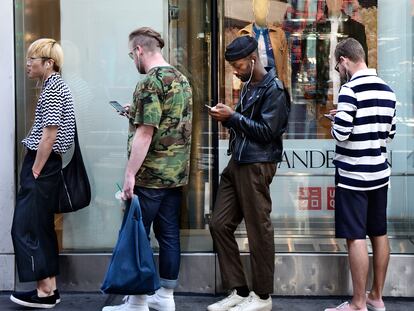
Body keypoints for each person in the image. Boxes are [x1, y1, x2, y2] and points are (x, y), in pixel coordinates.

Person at [102, 27, 192, 311]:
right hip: (175, 176)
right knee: (169, 237)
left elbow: (146, 133)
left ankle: (138, 301)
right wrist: (134, 111)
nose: (132, 59)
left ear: (139, 50)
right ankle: (165, 298)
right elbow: (170, 121)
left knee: (136, 237)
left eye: (131, 54)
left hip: (150, 176)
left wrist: (129, 174)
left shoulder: (150, 83)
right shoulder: (181, 79)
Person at [207, 36, 290, 311]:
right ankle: (240, 291)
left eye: (239, 65)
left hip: (257, 164)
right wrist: (227, 117)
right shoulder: (247, 87)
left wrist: (232, 118)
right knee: (219, 223)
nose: (236, 70)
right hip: (238, 162)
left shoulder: (274, 89)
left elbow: (268, 132)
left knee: (258, 230)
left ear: (253, 59)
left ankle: (263, 296)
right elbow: (245, 126)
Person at [324, 38, 396, 311]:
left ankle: (357, 303)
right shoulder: (388, 90)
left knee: (355, 236)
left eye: (337, 65)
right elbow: (389, 135)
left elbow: (341, 134)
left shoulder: (349, 90)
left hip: (353, 175)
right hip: (379, 174)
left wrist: (336, 121)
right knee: (379, 233)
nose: (338, 70)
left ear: (344, 61)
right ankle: (376, 297)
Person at [10, 39, 76, 308]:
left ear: (48, 63)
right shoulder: (56, 86)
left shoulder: (52, 90)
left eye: (32, 59)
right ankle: (50, 288)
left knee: (25, 227)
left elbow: (49, 134)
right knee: (42, 226)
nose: (27, 64)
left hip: (42, 164)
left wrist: (35, 169)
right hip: (49, 164)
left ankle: (44, 291)